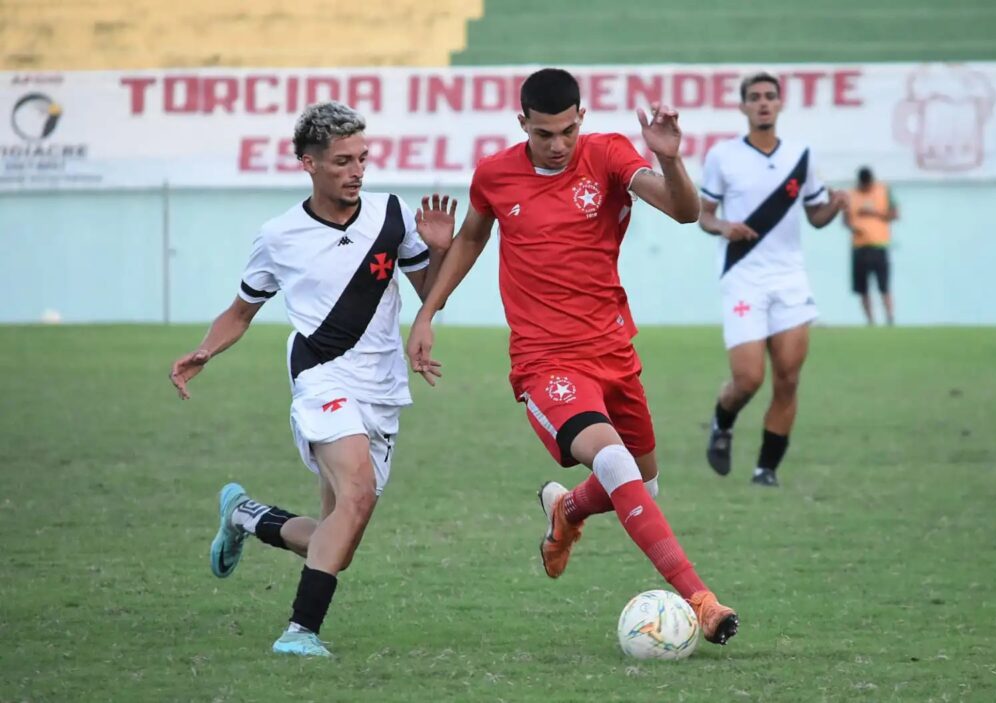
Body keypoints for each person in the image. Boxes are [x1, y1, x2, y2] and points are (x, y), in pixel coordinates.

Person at [406, 68, 739, 645]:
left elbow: (684, 213)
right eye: (543, 134)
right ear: (522, 125)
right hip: (545, 361)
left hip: (612, 351)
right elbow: (472, 239)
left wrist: (671, 161)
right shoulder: (494, 176)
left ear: (581, 118)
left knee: (643, 488)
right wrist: (427, 312)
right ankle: (701, 599)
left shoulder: (608, 154)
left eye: (566, 131)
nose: (557, 145)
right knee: (614, 465)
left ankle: (568, 511)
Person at [168, 102, 456, 657]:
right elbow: (241, 311)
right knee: (358, 493)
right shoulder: (279, 236)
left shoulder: (392, 216)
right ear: (309, 163)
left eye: (363, 159)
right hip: (321, 378)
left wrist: (439, 252)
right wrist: (205, 350)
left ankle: (246, 516)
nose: (357, 171)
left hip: (382, 387)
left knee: (337, 540)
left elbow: (430, 295)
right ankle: (300, 632)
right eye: (343, 161)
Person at [698, 72, 848, 488]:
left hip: (789, 279)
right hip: (743, 277)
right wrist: (723, 226)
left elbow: (816, 216)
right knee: (748, 378)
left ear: (780, 105)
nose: (763, 103)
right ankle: (722, 421)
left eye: (770, 97)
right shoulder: (722, 156)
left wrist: (834, 207)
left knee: (788, 377)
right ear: (743, 106)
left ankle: (766, 469)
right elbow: (703, 215)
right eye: (755, 97)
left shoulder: (801, 155)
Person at [844, 167, 897, 325]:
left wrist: (874, 213)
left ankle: (889, 318)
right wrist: (854, 228)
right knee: (863, 289)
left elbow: (894, 214)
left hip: (879, 246)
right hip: (859, 247)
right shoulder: (850, 195)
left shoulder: (883, 191)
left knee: (884, 286)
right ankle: (870, 321)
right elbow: (846, 220)